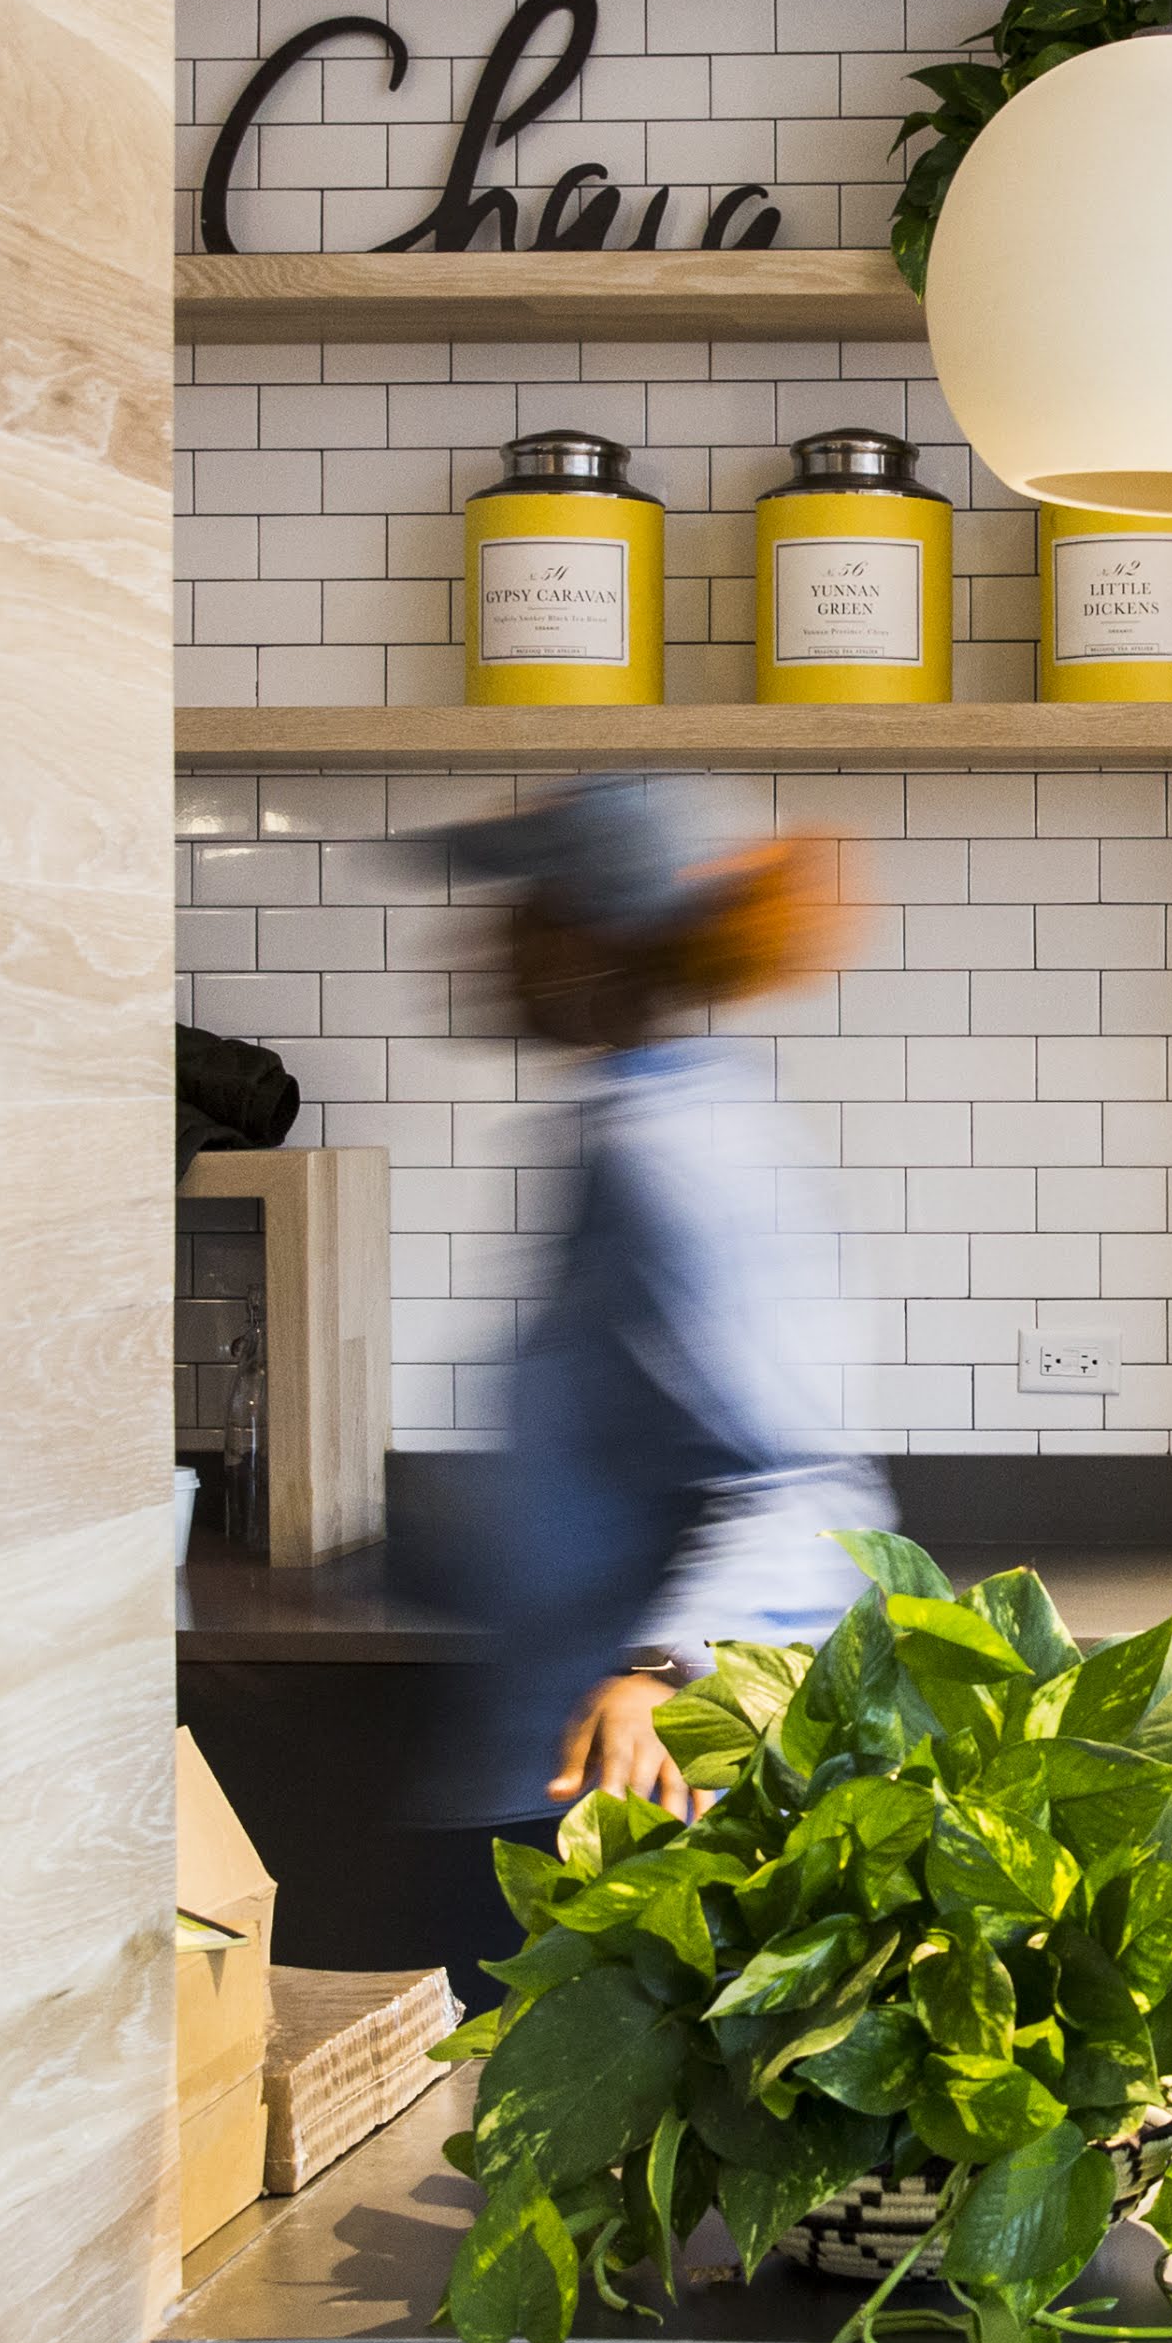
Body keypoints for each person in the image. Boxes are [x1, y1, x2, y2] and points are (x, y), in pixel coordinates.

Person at [387, 780, 892, 2003]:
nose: (477, 943)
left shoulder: (669, 1149)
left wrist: (665, 1673)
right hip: (554, 1778)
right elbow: (617, 1457)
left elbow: (798, 1488)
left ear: (583, 936)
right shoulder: (641, 1118)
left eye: (513, 911)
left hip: (619, 1807)